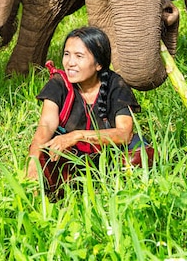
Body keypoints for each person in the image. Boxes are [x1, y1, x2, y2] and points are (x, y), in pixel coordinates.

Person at [25, 26, 149, 196]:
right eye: (67, 54)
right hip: (72, 159)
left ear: (98, 64)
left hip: (109, 157)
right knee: (45, 153)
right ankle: (62, 194)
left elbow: (124, 134)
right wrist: (33, 161)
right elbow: (45, 127)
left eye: (79, 56)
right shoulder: (58, 83)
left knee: (140, 152)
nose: (70, 62)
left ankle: (124, 192)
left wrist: (77, 136)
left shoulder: (116, 85)